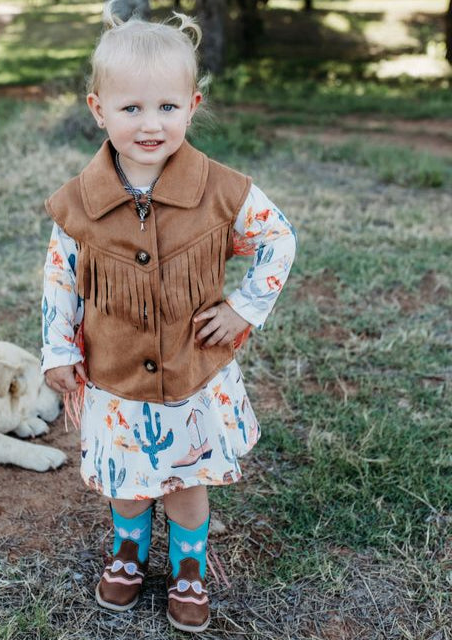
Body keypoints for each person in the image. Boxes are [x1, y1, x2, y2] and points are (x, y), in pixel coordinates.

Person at [41, 4, 296, 633]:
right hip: (116, 377)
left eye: (167, 107)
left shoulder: (221, 190)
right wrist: (59, 350)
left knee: (185, 483)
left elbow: (278, 239)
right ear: (98, 109)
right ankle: (128, 554)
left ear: (192, 105)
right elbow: (60, 278)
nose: (150, 124)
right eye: (131, 108)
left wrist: (243, 307)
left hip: (190, 377)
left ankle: (187, 568)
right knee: (128, 484)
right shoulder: (79, 203)